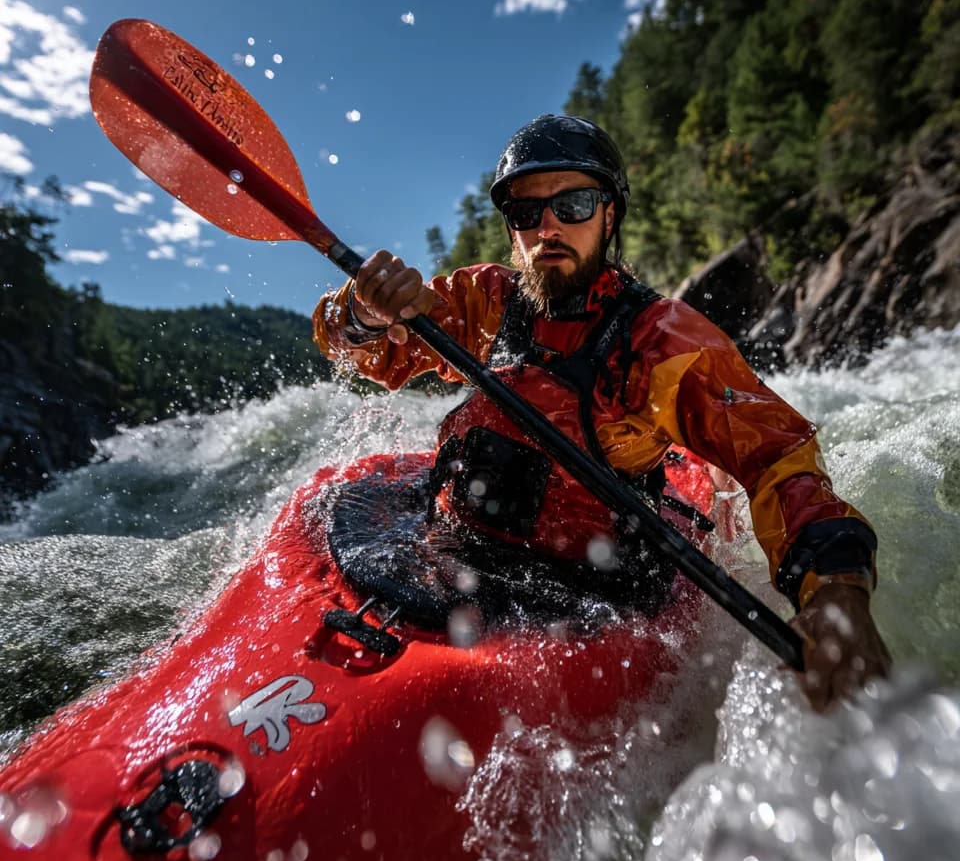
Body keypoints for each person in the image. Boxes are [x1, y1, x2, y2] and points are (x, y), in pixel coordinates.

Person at [312, 114, 892, 710]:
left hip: (577, 590)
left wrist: (836, 592)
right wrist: (363, 313)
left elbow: (778, 459)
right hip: (449, 551)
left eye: (575, 204)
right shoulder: (485, 301)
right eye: (527, 213)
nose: (548, 228)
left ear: (609, 215)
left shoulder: (660, 341)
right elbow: (362, 354)